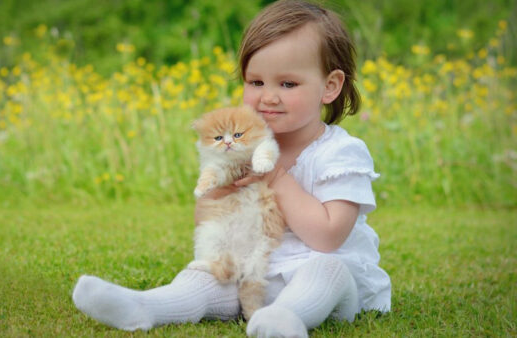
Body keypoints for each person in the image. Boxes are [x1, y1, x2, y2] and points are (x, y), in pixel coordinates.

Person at [72, 0, 391, 336]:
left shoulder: (341, 152)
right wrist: (217, 193)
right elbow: (208, 224)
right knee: (206, 274)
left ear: (330, 86)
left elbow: (328, 236)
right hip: (254, 276)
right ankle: (146, 306)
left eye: (287, 84)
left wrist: (277, 178)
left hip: (330, 288)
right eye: (256, 82)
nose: (268, 97)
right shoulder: (241, 148)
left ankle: (287, 319)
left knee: (327, 270)